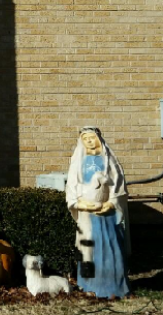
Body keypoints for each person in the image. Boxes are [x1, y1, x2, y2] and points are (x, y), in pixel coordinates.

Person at [66, 126, 130, 298]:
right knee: (88, 249)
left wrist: (111, 203)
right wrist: (83, 205)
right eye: (85, 138)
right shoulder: (78, 162)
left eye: (91, 137)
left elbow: (118, 185)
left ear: (99, 139)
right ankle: (88, 287)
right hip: (87, 216)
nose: (89, 141)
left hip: (107, 216)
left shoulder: (109, 160)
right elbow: (72, 188)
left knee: (111, 247)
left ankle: (113, 287)